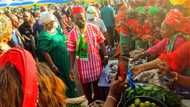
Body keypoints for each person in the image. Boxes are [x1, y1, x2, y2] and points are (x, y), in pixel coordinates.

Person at [68, 6, 108, 103]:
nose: (80, 20)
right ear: (73, 20)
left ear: (85, 16)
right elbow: (71, 52)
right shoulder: (72, 34)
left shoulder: (93, 27)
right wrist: (71, 68)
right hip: (83, 67)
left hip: (96, 63)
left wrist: (106, 55)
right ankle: (90, 102)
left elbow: (101, 41)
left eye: (81, 17)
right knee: (86, 89)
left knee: (97, 86)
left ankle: (98, 102)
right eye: (77, 19)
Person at [37, 13, 77, 98]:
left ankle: (73, 93)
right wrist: (52, 65)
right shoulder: (44, 35)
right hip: (56, 61)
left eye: (53, 21)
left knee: (70, 75)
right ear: (45, 24)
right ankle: (66, 97)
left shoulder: (57, 30)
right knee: (61, 78)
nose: (53, 23)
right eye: (51, 22)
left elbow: (64, 38)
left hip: (66, 58)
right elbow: (44, 52)